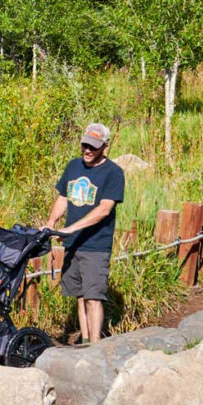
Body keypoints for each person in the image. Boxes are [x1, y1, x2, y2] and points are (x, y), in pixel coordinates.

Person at [45, 121, 124, 345]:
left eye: (93, 147)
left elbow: (104, 209)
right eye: (85, 145)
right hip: (73, 244)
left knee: (93, 297)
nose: (88, 150)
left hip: (96, 246)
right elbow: (63, 198)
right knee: (80, 296)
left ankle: (95, 344)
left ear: (105, 147)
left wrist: (71, 228)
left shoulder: (113, 173)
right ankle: (85, 341)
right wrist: (51, 222)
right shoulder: (73, 166)